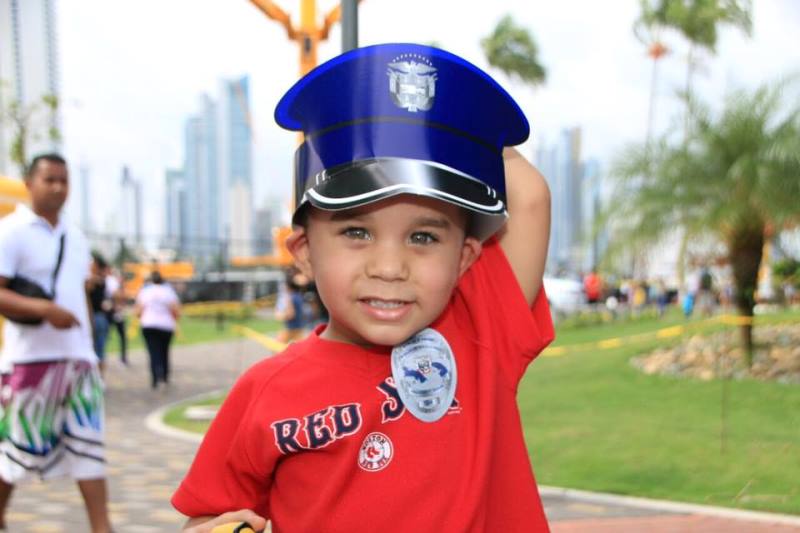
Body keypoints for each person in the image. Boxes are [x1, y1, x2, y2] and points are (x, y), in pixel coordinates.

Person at [172, 43, 554, 532]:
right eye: (356, 232)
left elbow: (530, 198)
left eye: (423, 237)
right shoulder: (264, 390)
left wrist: (445, 110)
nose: (390, 267)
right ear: (305, 252)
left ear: (463, 258)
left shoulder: (478, 333)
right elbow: (208, 515)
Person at [0, 153, 113, 532]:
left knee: (89, 448)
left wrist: (90, 349)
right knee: (16, 449)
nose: (58, 188)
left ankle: (102, 527)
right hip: (30, 361)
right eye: (49, 180)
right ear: (29, 183)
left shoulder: (75, 236)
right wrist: (44, 309)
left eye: (64, 180)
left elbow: (78, 296)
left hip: (77, 360)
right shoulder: (10, 231)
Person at [135, 271, 180, 390]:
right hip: (165, 325)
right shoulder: (168, 291)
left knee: (152, 351)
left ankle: (154, 378)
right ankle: (164, 376)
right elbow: (176, 310)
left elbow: (138, 311)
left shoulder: (145, 291)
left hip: (149, 324)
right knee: (164, 351)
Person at [87, 252, 110, 374]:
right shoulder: (101, 279)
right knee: (99, 350)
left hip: (96, 317)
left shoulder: (95, 279)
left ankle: (98, 376)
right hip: (99, 317)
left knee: (97, 351)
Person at [274, 268, 309, 343]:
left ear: (288, 286)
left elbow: (290, 314)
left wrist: (280, 316)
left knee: (277, 346)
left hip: (290, 328)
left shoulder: (290, 297)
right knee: (300, 347)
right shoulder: (299, 296)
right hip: (299, 327)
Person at [104, 267, 129, 365]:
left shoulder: (112, 282)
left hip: (115, 311)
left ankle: (123, 358)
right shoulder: (111, 281)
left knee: (120, 335)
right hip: (112, 311)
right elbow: (117, 295)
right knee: (108, 335)